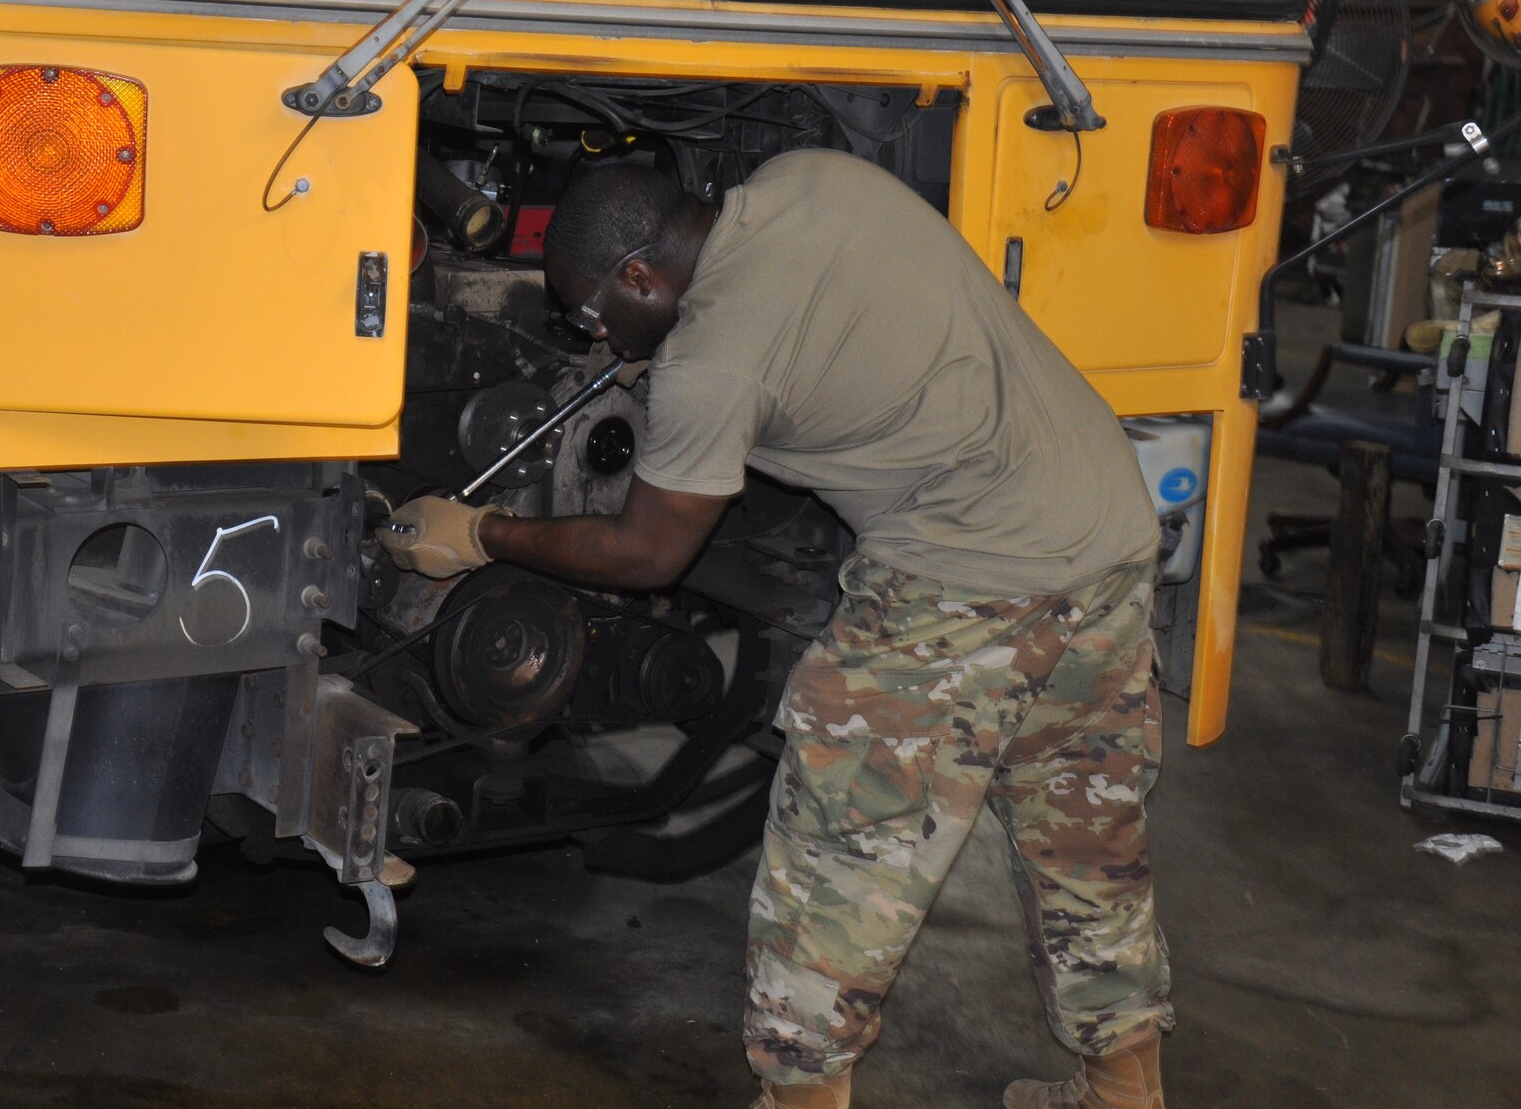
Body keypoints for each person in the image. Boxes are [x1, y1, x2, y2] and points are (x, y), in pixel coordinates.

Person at [379, 149, 1173, 1109]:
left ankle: (799, 1096)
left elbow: (646, 556)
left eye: (595, 315)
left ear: (642, 277)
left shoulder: (713, 365)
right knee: (1084, 833)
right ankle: (1124, 1089)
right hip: (1109, 530)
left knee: (841, 851)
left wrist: (477, 535)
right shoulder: (814, 179)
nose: (595, 336)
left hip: (974, 570)